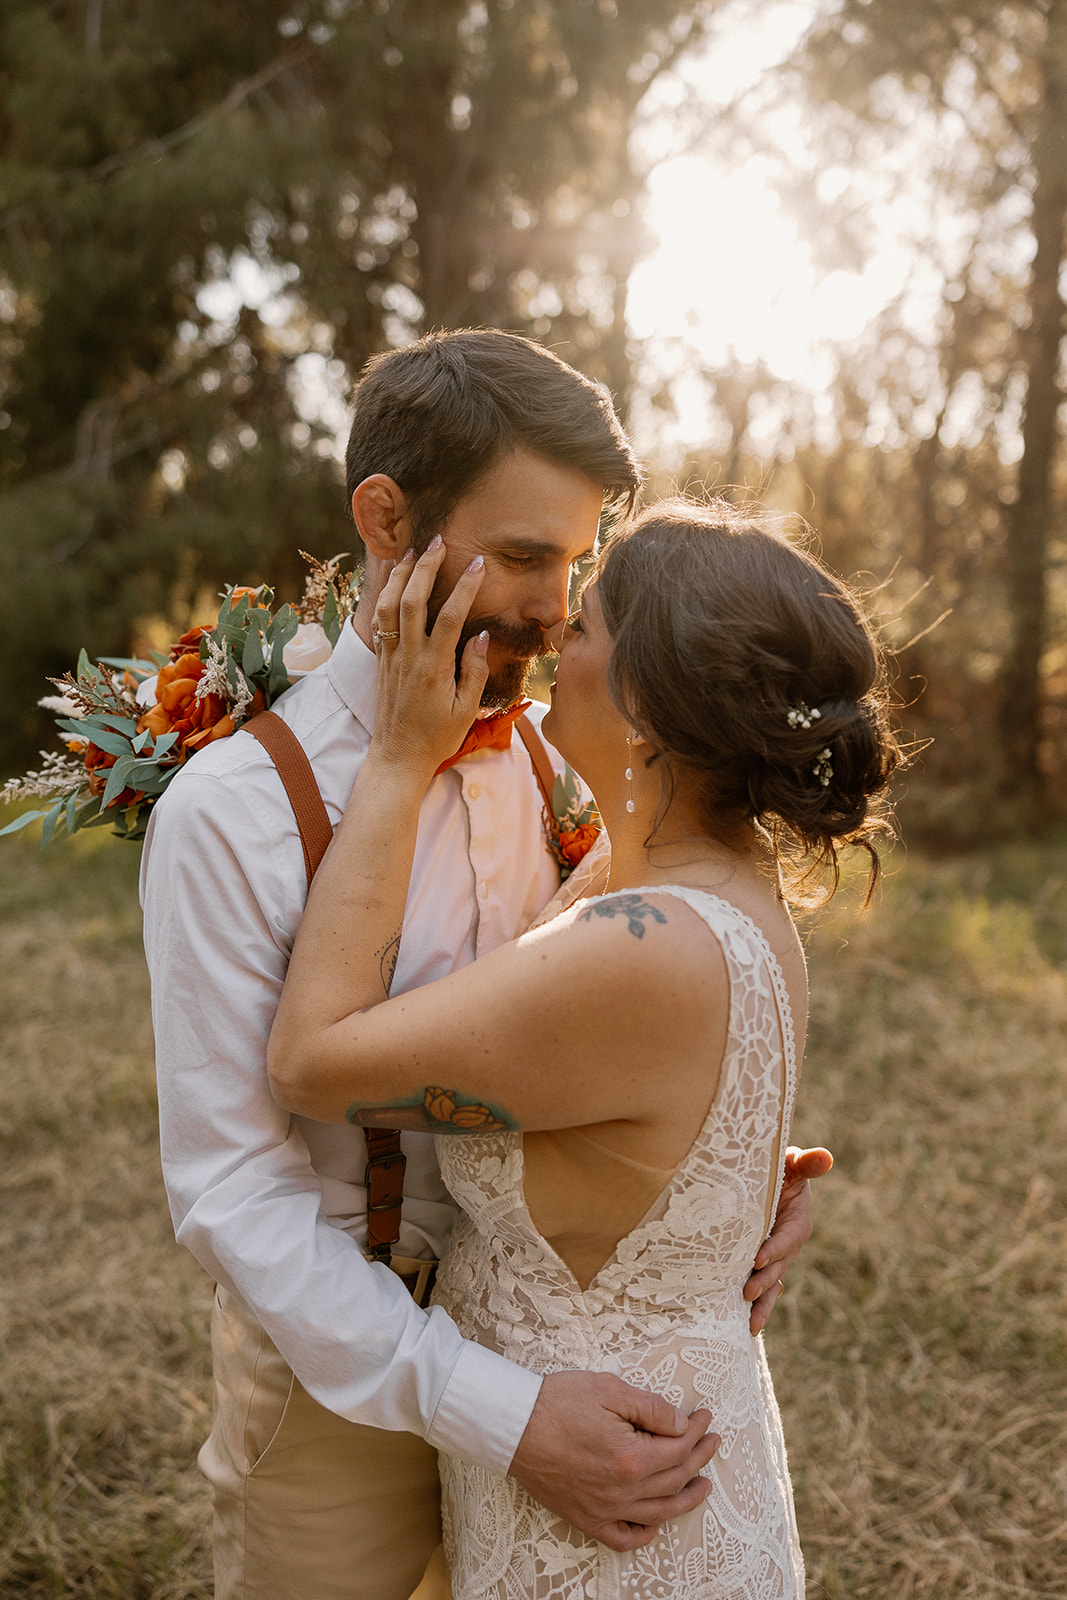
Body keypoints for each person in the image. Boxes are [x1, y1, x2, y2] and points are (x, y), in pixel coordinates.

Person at [140, 332, 823, 1600]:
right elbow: (232, 1185)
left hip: (559, 1350)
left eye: (572, 561)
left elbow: (606, 1012)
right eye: (520, 556)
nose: (557, 609)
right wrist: (494, 1409)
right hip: (341, 1381)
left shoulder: (555, 761)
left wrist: (702, 1184)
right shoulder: (228, 812)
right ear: (385, 519)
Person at [267, 498, 900, 1599]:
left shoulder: (635, 944)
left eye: (590, 623)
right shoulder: (691, 883)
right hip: (639, 1467)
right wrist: (738, 1183)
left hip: (617, 1521)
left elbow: (313, 1060)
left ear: (647, 697)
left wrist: (395, 759)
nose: (558, 633)